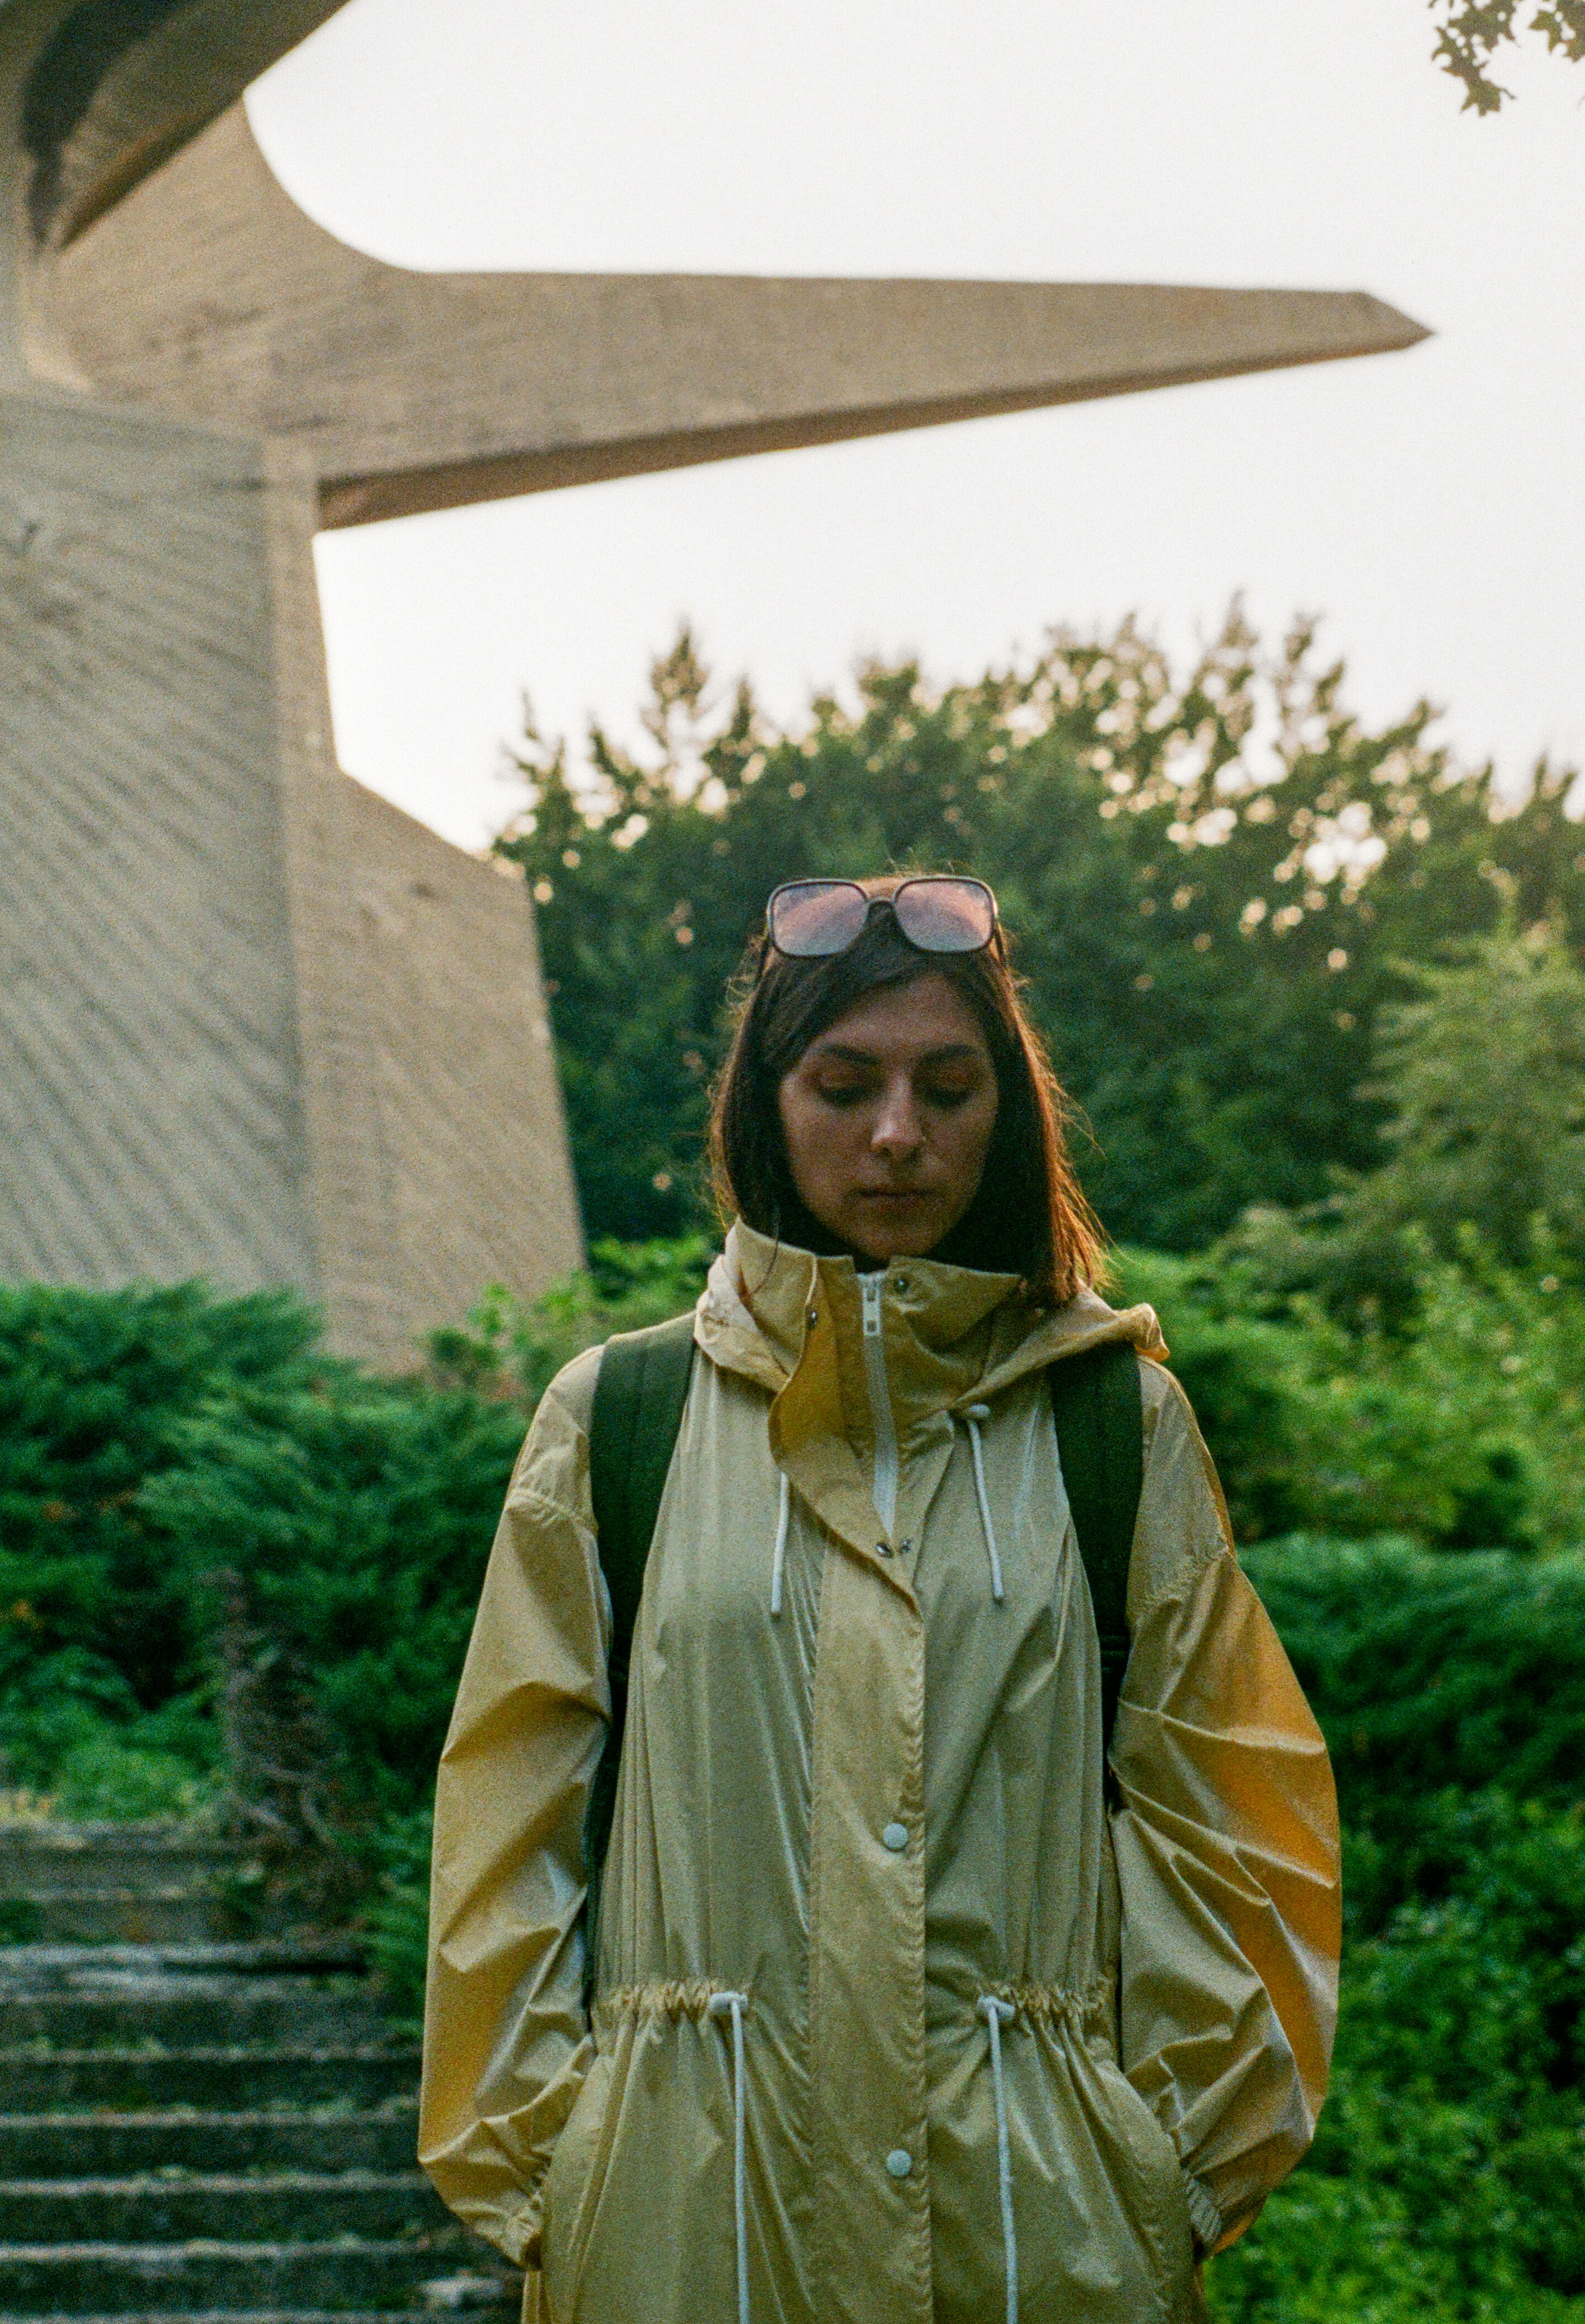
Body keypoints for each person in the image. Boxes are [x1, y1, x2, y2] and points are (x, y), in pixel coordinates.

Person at [419, 871, 1340, 2324]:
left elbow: (1235, 1820)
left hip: (1046, 2244)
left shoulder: (1112, 1424)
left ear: (1007, 1110)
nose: (898, 1133)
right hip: (681, 2234)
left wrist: (1168, 2168)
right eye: (845, 1083)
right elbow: (508, 1827)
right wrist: (556, 2173)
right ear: (766, 1104)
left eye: (947, 1085)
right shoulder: (617, 1423)